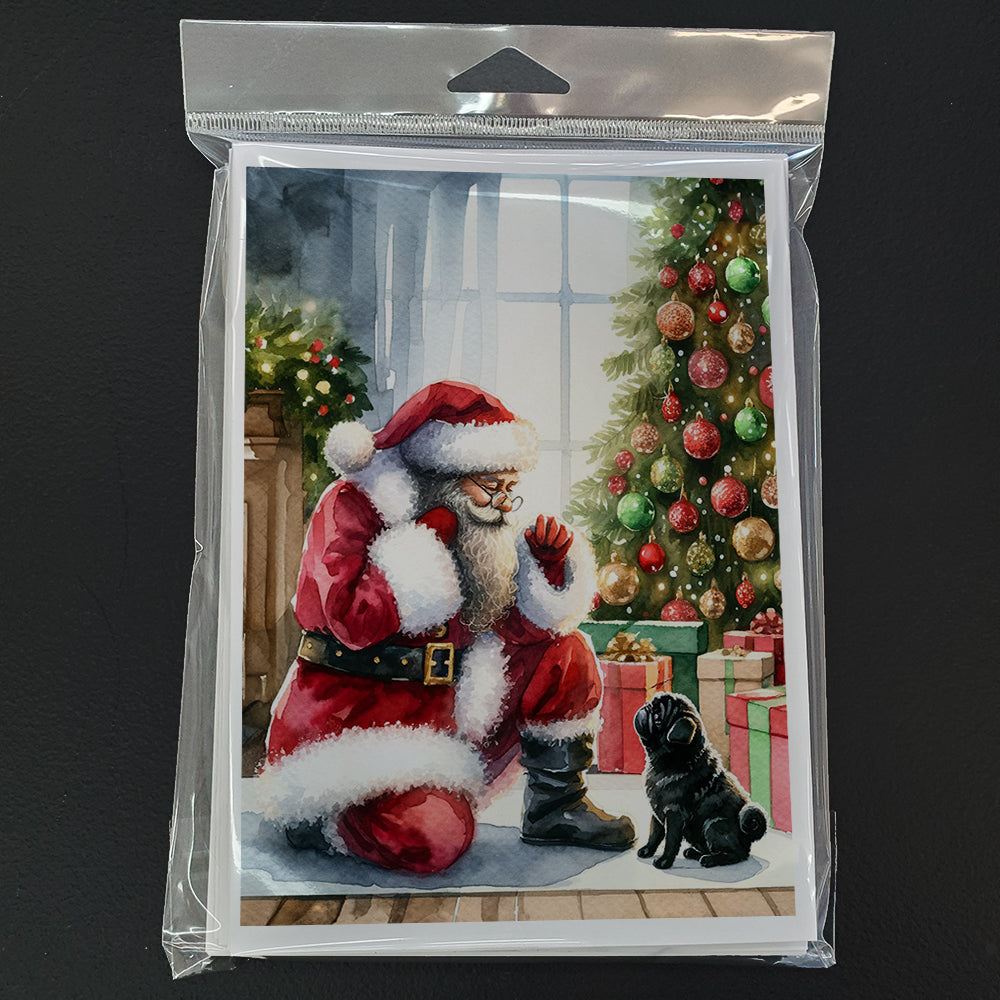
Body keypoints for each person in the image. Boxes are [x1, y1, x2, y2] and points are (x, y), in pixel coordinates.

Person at [257, 380, 635, 873]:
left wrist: (547, 570)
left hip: (443, 713)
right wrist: (426, 542)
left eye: (510, 489)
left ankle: (555, 807)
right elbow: (349, 619)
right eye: (492, 486)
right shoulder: (351, 503)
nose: (504, 503)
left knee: (564, 650)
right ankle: (322, 815)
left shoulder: (474, 530)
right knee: (435, 837)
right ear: (445, 476)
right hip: (350, 726)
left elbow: (507, 629)